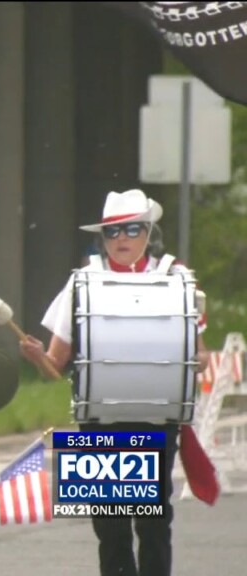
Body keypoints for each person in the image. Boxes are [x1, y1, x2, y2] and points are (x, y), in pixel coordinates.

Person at [19, 188, 206, 576]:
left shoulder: (176, 277)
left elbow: (199, 353)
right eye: (112, 232)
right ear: (102, 237)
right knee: (110, 527)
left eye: (131, 229)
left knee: (154, 523)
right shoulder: (83, 282)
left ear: (148, 233)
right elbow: (57, 365)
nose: (121, 239)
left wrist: (196, 361)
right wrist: (39, 357)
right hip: (101, 418)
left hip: (157, 417)